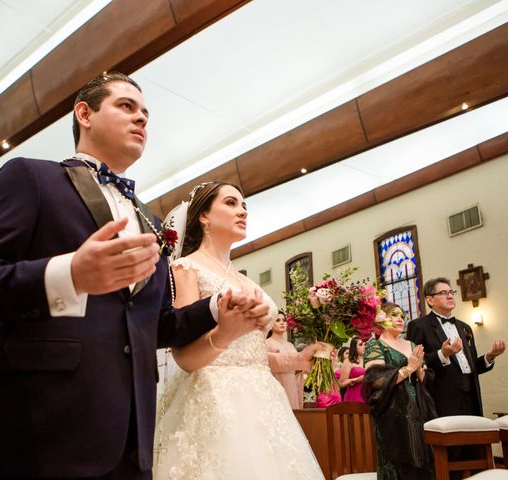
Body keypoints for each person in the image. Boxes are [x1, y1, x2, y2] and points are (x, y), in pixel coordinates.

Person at [0, 72, 269, 480]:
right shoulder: (32, 178)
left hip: (131, 439)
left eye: (146, 113)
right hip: (42, 433)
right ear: (85, 114)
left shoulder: (148, 219)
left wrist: (217, 310)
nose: (142, 119)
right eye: (126, 106)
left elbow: (154, 325)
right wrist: (70, 274)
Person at [153, 181, 325, 479]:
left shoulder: (245, 280)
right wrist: (224, 334)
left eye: (245, 205)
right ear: (204, 216)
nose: (242, 211)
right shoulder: (186, 269)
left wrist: (294, 361)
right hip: (215, 403)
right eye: (231, 203)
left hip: (265, 404)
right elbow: (184, 357)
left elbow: (249, 355)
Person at [406, 277, 506, 418]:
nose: (450, 295)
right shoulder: (418, 326)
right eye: (443, 293)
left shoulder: (465, 327)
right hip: (442, 397)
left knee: (476, 438)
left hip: (472, 394)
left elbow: (470, 366)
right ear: (430, 300)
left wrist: (490, 357)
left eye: (451, 292)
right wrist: (442, 354)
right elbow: (415, 363)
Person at [363, 302, 436, 480]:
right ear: (382, 320)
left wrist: (419, 368)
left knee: (423, 454)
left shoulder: (411, 344)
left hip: (419, 408)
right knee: (398, 462)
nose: (399, 320)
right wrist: (408, 369)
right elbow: (376, 380)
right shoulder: (375, 345)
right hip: (391, 410)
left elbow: (425, 379)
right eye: (394, 315)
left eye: (402, 316)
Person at [266, 310, 310, 409]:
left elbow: (297, 368)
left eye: (284, 320)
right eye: (277, 320)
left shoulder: (290, 345)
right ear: (271, 324)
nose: (282, 322)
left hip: (291, 383)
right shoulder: (267, 343)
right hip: (277, 383)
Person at [340, 336, 366, 403]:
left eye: (365, 344)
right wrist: (356, 380)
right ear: (354, 347)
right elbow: (341, 383)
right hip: (354, 396)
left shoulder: (370, 360)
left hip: (368, 396)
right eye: (360, 344)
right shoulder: (348, 361)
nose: (364, 346)